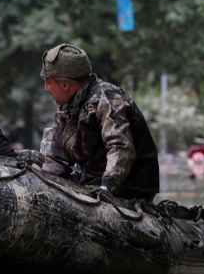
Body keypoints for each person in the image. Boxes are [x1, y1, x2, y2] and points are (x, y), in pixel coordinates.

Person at [38, 42, 159, 200]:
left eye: (48, 81)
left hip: (128, 187)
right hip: (90, 181)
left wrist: (106, 187)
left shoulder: (108, 98)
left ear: (65, 85)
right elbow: (57, 156)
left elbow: (120, 146)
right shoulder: (67, 107)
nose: (46, 88)